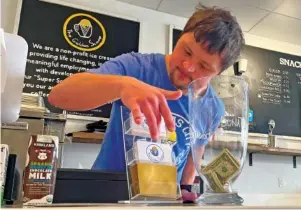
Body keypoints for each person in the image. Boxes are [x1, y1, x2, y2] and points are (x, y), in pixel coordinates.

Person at [48, 4, 244, 202]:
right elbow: (58, 96)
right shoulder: (137, 67)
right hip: (107, 193)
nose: (188, 66)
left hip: (164, 198)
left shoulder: (214, 107)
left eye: (203, 66)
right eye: (186, 51)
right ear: (180, 37)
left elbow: (196, 150)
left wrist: (185, 188)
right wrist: (121, 86)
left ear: (218, 73)